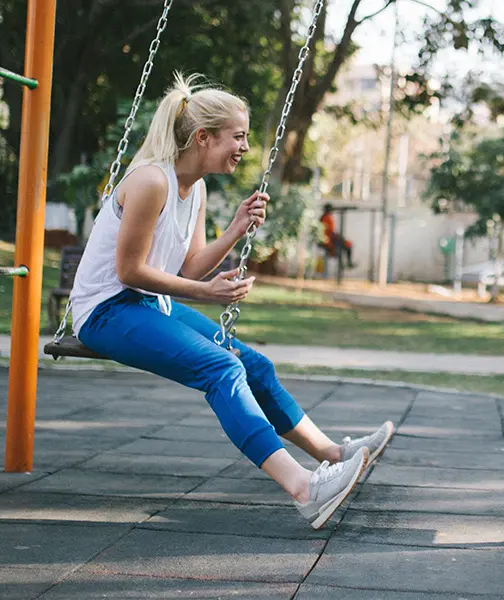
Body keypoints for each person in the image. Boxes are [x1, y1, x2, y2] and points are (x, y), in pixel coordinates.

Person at [69, 73, 394, 529]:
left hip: (145, 306)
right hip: (106, 310)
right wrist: (206, 294)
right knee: (221, 368)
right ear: (203, 137)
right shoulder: (149, 181)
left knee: (253, 364)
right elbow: (129, 271)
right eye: (237, 136)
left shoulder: (195, 188)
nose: (244, 146)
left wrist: (236, 229)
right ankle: (304, 488)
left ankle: (334, 453)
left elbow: (190, 267)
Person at [320, 203, 355, 268]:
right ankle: (347, 264)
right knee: (343, 247)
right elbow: (329, 231)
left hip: (330, 239)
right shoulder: (326, 218)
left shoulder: (326, 217)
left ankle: (346, 263)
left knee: (347, 245)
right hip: (329, 240)